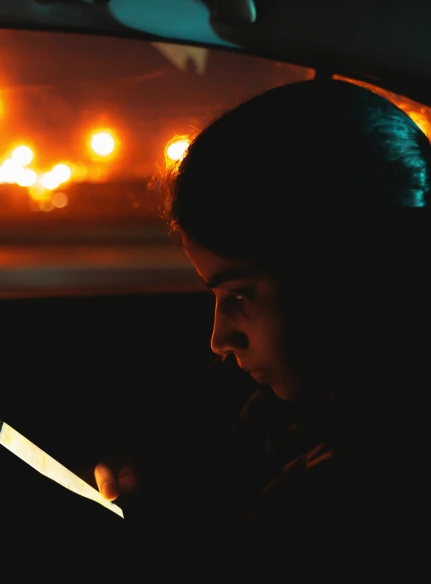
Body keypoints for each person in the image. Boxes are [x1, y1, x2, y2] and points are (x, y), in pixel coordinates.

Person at [93, 79, 431, 553]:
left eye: (241, 295)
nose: (219, 337)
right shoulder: (273, 401)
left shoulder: (357, 491)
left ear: (346, 277)